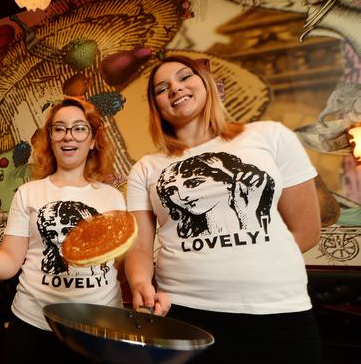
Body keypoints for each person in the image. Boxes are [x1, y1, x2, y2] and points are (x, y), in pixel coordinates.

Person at [125, 55, 322, 364]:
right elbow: (139, 248)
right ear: (156, 106)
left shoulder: (270, 136)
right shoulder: (146, 168)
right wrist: (140, 284)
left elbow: (307, 231)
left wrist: (251, 264)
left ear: (206, 85)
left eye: (184, 77)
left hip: (277, 312)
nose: (175, 88)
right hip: (183, 314)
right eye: (162, 88)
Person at [0, 96, 167, 363]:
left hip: (99, 326)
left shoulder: (114, 198)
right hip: (33, 323)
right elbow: (11, 259)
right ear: (50, 138)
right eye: (59, 128)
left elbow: (124, 260)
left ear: (94, 139)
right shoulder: (28, 193)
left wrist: (142, 285)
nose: (67, 136)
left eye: (79, 128)